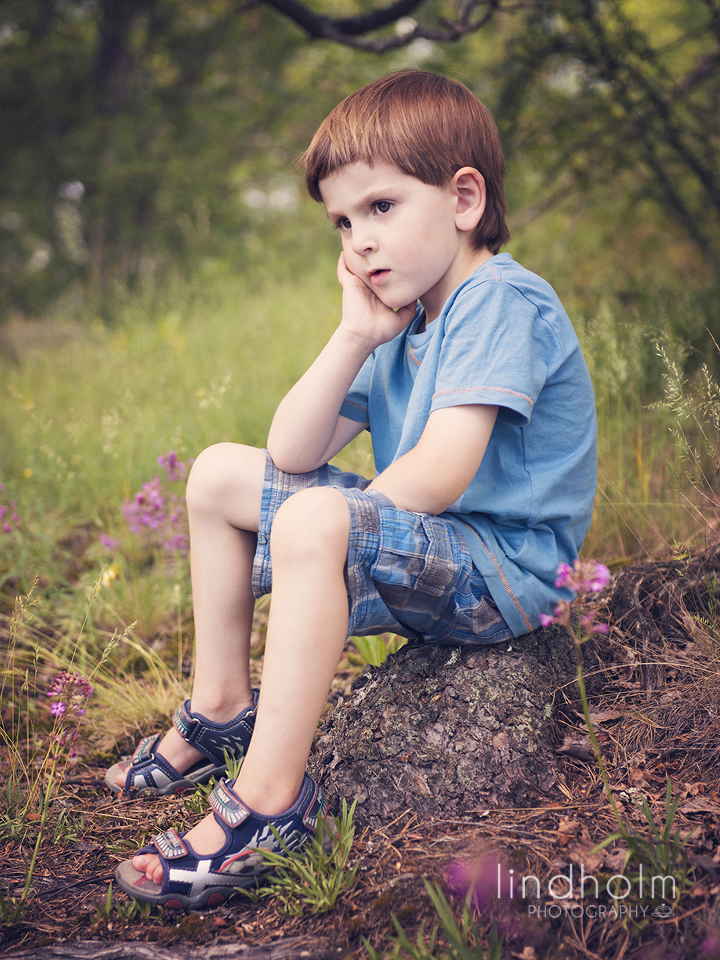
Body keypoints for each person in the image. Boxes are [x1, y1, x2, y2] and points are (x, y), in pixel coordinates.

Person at [112, 69, 597, 911]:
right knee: (221, 473)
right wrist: (354, 334)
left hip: (506, 574)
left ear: (464, 199)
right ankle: (222, 705)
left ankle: (268, 804)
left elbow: (442, 471)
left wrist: (332, 527)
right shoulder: (401, 319)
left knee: (318, 516)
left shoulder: (499, 299)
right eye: (341, 222)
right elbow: (292, 448)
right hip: (439, 544)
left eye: (380, 208)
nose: (358, 241)